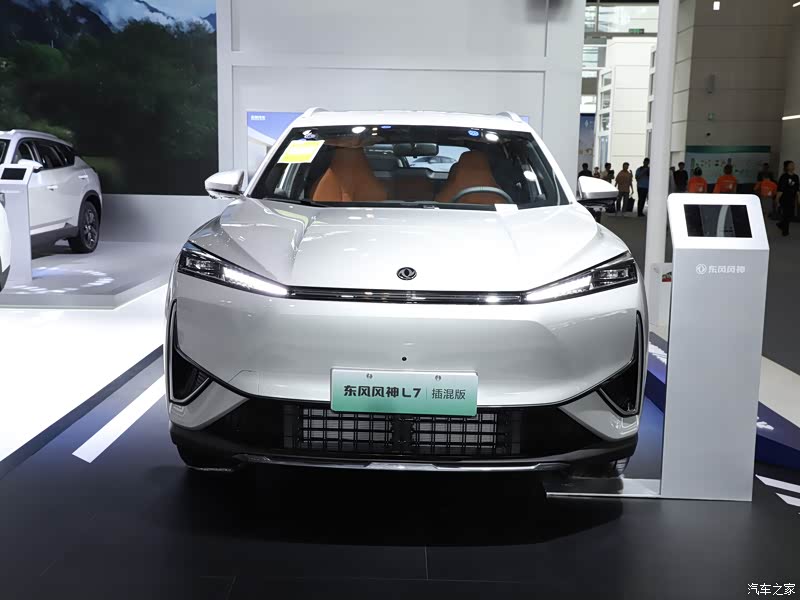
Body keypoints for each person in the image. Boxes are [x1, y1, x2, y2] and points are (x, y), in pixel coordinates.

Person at [776, 160, 799, 236]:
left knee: (790, 214)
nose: (793, 166)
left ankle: (781, 224)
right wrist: (777, 199)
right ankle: (785, 231)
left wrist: (798, 197)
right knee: (786, 214)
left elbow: (797, 189)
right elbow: (780, 189)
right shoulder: (784, 177)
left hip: (792, 198)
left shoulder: (796, 177)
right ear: (786, 167)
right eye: (791, 165)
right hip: (784, 198)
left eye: (793, 165)